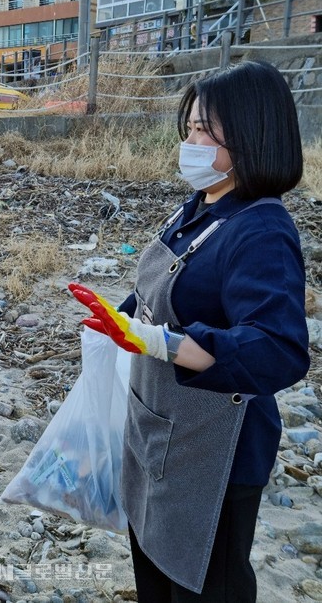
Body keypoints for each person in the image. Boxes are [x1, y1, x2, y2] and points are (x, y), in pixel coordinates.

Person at [69, 60, 310, 602]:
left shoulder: (262, 229)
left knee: (206, 582)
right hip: (156, 429)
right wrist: (119, 318)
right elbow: (164, 293)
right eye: (191, 127)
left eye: (206, 130)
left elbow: (281, 348)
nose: (191, 141)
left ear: (252, 136)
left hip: (216, 454)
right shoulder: (200, 207)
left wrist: (160, 343)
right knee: (154, 560)